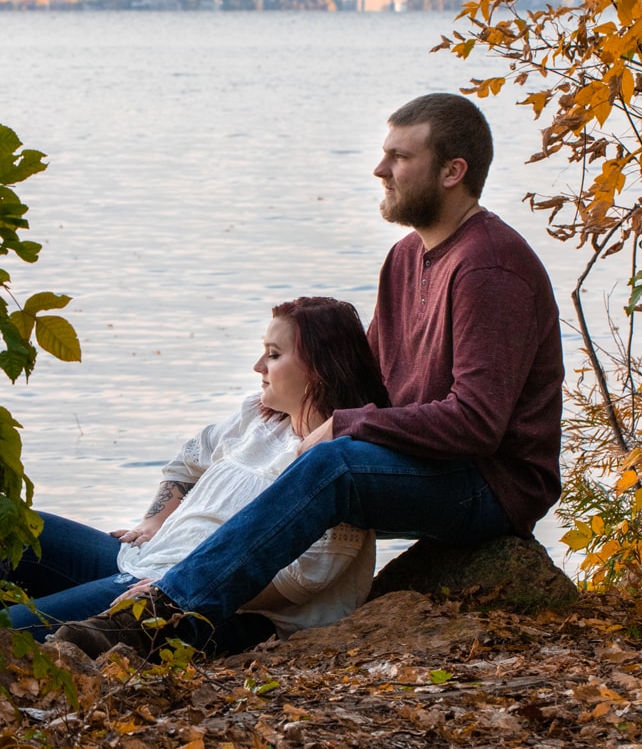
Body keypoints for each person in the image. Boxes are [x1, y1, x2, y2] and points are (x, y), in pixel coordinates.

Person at [52, 92, 564, 660]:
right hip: (426, 464)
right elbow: (372, 387)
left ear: (452, 171)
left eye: (399, 157)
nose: (379, 169)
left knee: (333, 463)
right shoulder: (403, 258)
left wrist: (343, 426)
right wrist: (284, 406)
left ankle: (164, 612)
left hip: (488, 483)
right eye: (383, 154)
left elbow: (478, 424)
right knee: (309, 447)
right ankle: (178, 580)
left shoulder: (489, 266)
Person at [5, 296, 390, 657]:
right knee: (10, 525)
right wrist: (155, 520)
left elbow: (303, 577)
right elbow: (188, 462)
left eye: (273, 355)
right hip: (142, 560)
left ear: (320, 368)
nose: (258, 366)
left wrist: (177, 592)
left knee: (8, 635)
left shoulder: (341, 460)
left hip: (188, 601)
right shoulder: (258, 417)